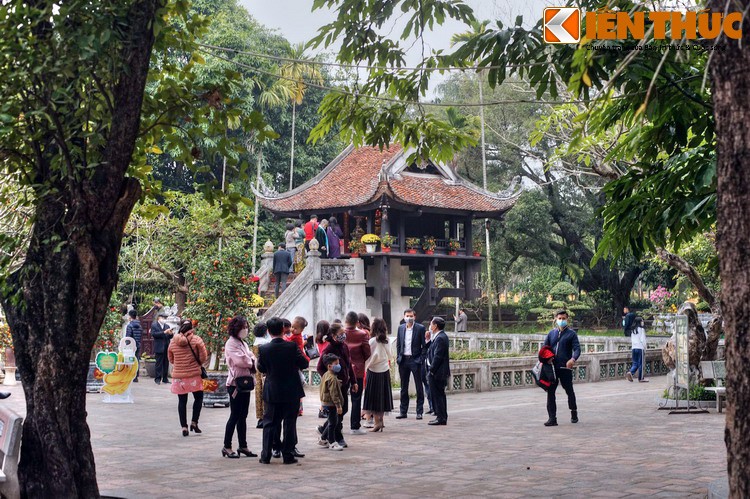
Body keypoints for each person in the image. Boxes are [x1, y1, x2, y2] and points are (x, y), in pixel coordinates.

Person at [257, 317, 309, 465]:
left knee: (269, 423)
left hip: (272, 390)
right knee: (289, 423)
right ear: (283, 329)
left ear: (268, 331)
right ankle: (288, 455)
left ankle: (266, 455)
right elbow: (304, 363)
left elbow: (261, 368)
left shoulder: (264, 349)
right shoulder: (292, 347)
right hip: (291, 390)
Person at [222, 316, 258, 459]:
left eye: (246, 327)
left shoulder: (242, 342)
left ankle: (243, 445)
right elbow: (242, 360)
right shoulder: (231, 343)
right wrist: (252, 361)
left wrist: (250, 359)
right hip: (235, 384)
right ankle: (227, 446)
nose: (245, 330)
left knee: (243, 416)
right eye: (243, 327)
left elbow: (250, 357)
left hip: (245, 383)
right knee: (235, 415)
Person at [316, 323, 356, 448]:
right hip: (334, 386)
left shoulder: (344, 346)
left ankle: (325, 430)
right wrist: (330, 379)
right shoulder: (328, 349)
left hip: (344, 384)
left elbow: (349, 365)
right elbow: (320, 368)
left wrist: (353, 381)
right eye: (340, 334)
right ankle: (337, 437)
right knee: (338, 412)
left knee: (343, 410)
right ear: (333, 336)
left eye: (344, 333)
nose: (343, 336)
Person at [168, 319, 208, 436]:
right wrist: (196, 364)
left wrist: (179, 364)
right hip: (194, 375)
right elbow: (203, 357)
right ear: (191, 328)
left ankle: (184, 427)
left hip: (179, 376)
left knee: (182, 401)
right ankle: (194, 422)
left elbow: (171, 358)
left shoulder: (173, 342)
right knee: (199, 397)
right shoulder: (197, 340)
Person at [543, 310, 581, 427]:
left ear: (567, 319)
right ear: (555, 319)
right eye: (559, 318)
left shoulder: (571, 334)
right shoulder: (551, 334)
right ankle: (552, 418)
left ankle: (573, 412)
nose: (561, 320)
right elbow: (545, 349)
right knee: (550, 393)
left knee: (569, 391)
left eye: (563, 318)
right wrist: (546, 358)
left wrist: (573, 359)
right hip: (552, 369)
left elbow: (577, 349)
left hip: (565, 368)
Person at [362, 318, 394, 432]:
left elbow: (367, 358)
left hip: (373, 370)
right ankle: (381, 421)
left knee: (373, 397)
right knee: (383, 396)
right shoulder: (388, 340)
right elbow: (390, 355)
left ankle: (376, 423)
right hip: (384, 371)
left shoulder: (371, 341)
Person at [395, 308, 427, 419]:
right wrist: (398, 357)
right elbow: (399, 344)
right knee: (404, 387)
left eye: (411, 316)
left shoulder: (420, 328)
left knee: (419, 386)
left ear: (414, 317)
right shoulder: (400, 328)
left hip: (415, 360)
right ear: (404, 317)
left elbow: (424, 346)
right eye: (407, 316)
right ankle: (403, 411)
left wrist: (421, 358)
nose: (409, 318)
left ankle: (419, 411)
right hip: (403, 360)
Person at [343, 311, 370, 434]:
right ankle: (355, 426)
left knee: (340, 398)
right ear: (357, 323)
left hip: (342, 370)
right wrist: (359, 361)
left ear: (346, 321)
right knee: (356, 398)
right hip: (357, 370)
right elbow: (367, 352)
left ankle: (336, 424)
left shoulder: (340, 333)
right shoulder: (362, 334)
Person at [318, 353, 346, 451]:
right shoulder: (332, 378)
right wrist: (338, 406)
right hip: (331, 404)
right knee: (333, 423)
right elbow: (334, 394)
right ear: (330, 366)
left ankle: (323, 439)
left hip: (326, 402)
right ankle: (332, 442)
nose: (339, 365)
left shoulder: (327, 375)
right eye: (336, 363)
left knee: (332, 421)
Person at [426, 317, 450, 426]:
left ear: (435, 326)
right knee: (438, 395)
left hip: (438, 373)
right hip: (437, 372)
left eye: (431, 324)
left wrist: (431, 370)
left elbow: (438, 356)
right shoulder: (438, 337)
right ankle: (440, 416)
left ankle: (441, 417)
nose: (430, 326)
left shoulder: (441, 338)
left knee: (438, 395)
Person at [252, 321, 271, 429]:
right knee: (265, 394)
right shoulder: (265, 343)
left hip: (257, 371)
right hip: (265, 370)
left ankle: (260, 418)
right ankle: (265, 416)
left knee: (258, 394)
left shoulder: (255, 342)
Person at [150, 311, 173, 384]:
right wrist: (164, 332)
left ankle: (165, 378)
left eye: (165, 318)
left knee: (166, 363)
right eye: (163, 317)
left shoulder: (167, 326)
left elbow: (170, 337)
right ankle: (157, 378)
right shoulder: (154, 325)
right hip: (159, 346)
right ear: (159, 318)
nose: (164, 319)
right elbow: (154, 334)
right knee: (158, 363)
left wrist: (170, 334)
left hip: (166, 346)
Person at [315, 320, 331, 419]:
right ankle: (324, 409)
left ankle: (323, 408)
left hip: (321, 366)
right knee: (328, 389)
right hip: (328, 366)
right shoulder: (328, 341)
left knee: (325, 389)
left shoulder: (318, 340)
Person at [626, 317, 649, 383]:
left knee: (635, 363)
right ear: (640, 322)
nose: (643, 322)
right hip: (640, 348)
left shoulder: (633, 330)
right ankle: (641, 378)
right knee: (641, 364)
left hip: (634, 348)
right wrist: (645, 348)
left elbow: (632, 339)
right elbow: (643, 340)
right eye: (642, 321)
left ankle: (631, 372)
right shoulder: (641, 330)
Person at [125, 309, 143, 383]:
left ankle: (130, 375)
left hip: (131, 346)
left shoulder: (130, 325)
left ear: (130, 316)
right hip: (138, 345)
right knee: (136, 360)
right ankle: (135, 376)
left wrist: (126, 345)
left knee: (129, 360)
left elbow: (128, 337)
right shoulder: (139, 325)